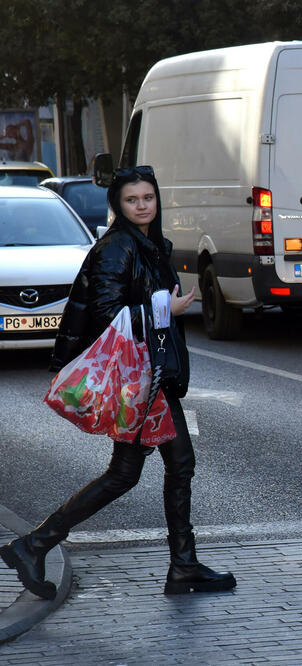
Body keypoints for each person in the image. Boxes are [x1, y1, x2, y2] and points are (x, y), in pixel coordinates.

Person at [0, 166, 237, 599]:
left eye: (148, 197)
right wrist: (168, 310)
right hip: (138, 377)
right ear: (118, 206)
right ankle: (35, 545)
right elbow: (108, 314)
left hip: (148, 373)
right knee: (152, 468)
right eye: (132, 200)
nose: (142, 205)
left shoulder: (146, 245)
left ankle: (38, 546)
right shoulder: (119, 247)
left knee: (140, 470)